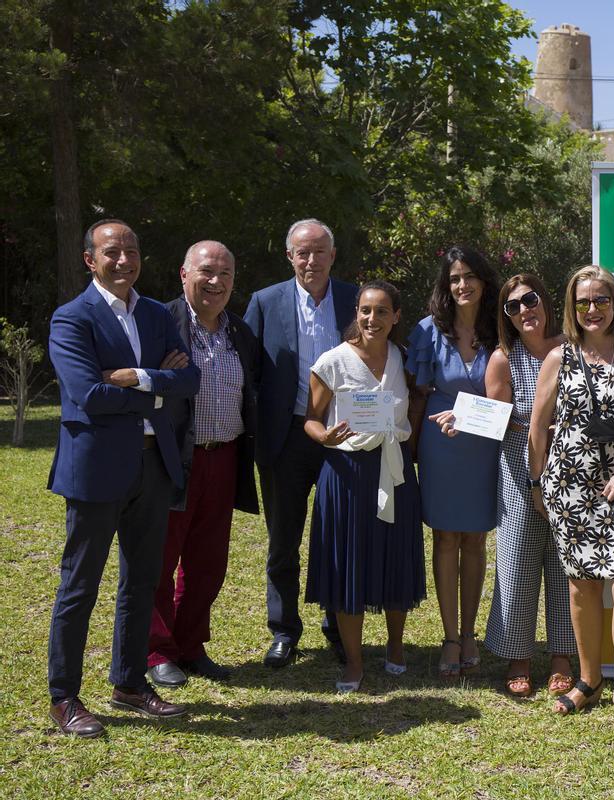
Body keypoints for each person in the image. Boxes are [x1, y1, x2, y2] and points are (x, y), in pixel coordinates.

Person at [46, 219, 200, 737]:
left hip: (153, 468)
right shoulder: (72, 319)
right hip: (96, 470)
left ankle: (130, 683)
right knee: (80, 584)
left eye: (131, 251)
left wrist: (138, 379)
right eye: (111, 252)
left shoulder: (156, 313)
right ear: (91, 259)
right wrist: (161, 386)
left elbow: (190, 379)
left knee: (142, 581)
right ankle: (64, 697)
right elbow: (87, 394)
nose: (123, 261)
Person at [529, 265, 614, 737]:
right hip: (570, 485)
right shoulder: (558, 357)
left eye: (600, 300)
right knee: (581, 585)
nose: (592, 309)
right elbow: (538, 427)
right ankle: (589, 677)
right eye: (583, 301)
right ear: (572, 307)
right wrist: (538, 483)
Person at [243, 219, 357, 668]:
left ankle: (336, 626)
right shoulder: (265, 302)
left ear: (333, 255)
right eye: (302, 253)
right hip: (285, 437)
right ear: (289, 256)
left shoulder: (354, 299)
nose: (311, 260)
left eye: (319, 251)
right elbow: (247, 369)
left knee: (336, 535)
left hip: (343, 436)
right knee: (283, 539)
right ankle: (284, 630)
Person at [304, 280, 425, 693]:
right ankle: (354, 663)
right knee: (348, 566)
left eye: (381, 311)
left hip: (394, 470)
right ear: (356, 313)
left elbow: (418, 408)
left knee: (395, 557)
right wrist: (324, 437)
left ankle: (395, 647)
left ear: (396, 316)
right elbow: (311, 418)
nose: (372, 319)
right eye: (365, 310)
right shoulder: (333, 361)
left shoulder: (403, 358)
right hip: (347, 473)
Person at [148, 241, 260, 688]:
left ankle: (191, 646)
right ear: (183, 273)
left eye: (225, 274)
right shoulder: (160, 323)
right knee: (159, 557)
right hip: (172, 458)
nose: (216, 282)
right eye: (207, 272)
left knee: (208, 562)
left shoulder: (239, 331)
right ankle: (156, 650)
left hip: (225, 456)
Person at [406, 246, 501, 677]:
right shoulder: (427, 332)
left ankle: (469, 633)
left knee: (476, 539)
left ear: (484, 280)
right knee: (445, 539)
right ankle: (448, 636)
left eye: (470, 276)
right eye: (455, 278)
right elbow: (417, 395)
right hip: (440, 445)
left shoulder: (502, 329)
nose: (463, 285)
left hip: (485, 447)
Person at [482, 274, 577, 698]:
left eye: (530, 300)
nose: (524, 310)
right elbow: (494, 416)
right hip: (519, 461)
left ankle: (562, 656)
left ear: (545, 301)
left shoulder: (572, 348)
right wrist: (461, 420)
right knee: (517, 560)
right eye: (513, 306)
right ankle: (517, 657)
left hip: (572, 464)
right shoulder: (504, 357)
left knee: (565, 563)